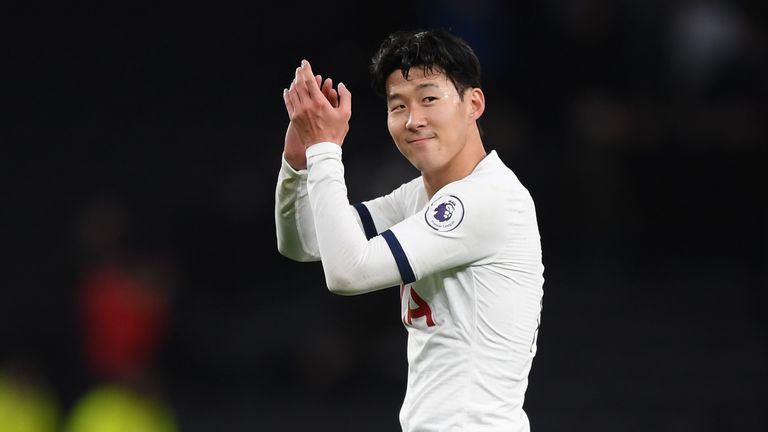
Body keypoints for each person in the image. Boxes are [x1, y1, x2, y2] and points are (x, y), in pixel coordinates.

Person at [275, 28, 544, 431]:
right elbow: (305, 242)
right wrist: (299, 165)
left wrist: (327, 151)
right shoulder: (419, 196)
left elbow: (349, 273)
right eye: (398, 105)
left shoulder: (487, 198)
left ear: (473, 103)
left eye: (429, 98)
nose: (414, 119)